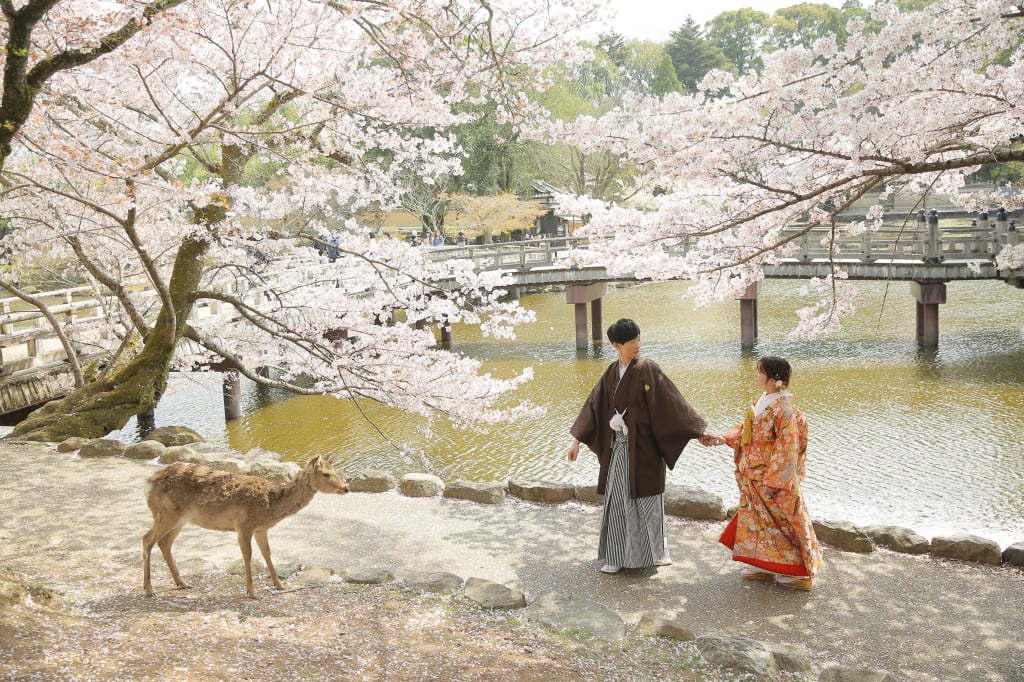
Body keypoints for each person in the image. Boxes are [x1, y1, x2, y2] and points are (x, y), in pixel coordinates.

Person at [566, 318, 714, 574]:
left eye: (638, 339)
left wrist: (697, 431)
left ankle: (658, 551)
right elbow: (593, 405)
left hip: (645, 449)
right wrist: (576, 440)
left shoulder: (648, 369)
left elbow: (672, 403)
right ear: (616, 344)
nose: (637, 344)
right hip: (618, 449)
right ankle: (615, 555)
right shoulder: (611, 372)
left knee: (648, 502)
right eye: (631, 341)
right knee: (617, 500)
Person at [707, 356, 822, 591]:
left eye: (759, 372)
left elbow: (787, 447)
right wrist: (724, 438)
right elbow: (747, 428)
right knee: (758, 520)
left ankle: (797, 572)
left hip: (770, 476)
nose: (755, 375)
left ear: (773, 379)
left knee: (782, 522)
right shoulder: (767, 400)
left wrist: (777, 479)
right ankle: (763, 565)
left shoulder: (784, 408)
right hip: (753, 472)